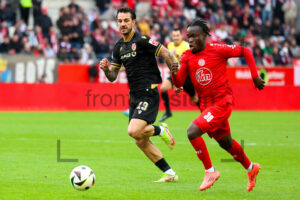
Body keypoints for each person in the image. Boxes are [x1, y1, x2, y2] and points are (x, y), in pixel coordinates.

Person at [171, 19, 265, 191]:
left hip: (222, 102)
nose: (190, 40)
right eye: (188, 36)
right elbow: (179, 83)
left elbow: (246, 51)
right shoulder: (186, 56)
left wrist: (255, 76)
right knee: (226, 143)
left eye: (194, 36)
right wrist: (173, 70)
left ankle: (210, 171)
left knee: (192, 131)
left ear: (204, 36)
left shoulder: (218, 49)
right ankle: (251, 168)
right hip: (206, 106)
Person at [99, 7, 178, 182]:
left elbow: (167, 53)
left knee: (134, 131)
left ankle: (160, 130)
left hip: (148, 92)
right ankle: (169, 173)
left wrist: (176, 80)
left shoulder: (142, 40)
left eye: (126, 20)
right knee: (140, 140)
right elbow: (113, 76)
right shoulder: (118, 47)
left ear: (134, 22)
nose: (123, 24)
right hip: (134, 96)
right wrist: (106, 70)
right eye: (120, 21)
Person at [159, 28, 199, 122]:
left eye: (178, 35)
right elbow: (169, 60)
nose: (176, 37)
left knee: (194, 98)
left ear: (182, 36)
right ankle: (168, 112)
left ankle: (205, 113)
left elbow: (191, 61)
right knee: (163, 88)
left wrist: (177, 56)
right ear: (172, 36)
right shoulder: (169, 45)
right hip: (175, 74)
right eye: (174, 36)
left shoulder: (187, 46)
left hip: (186, 76)